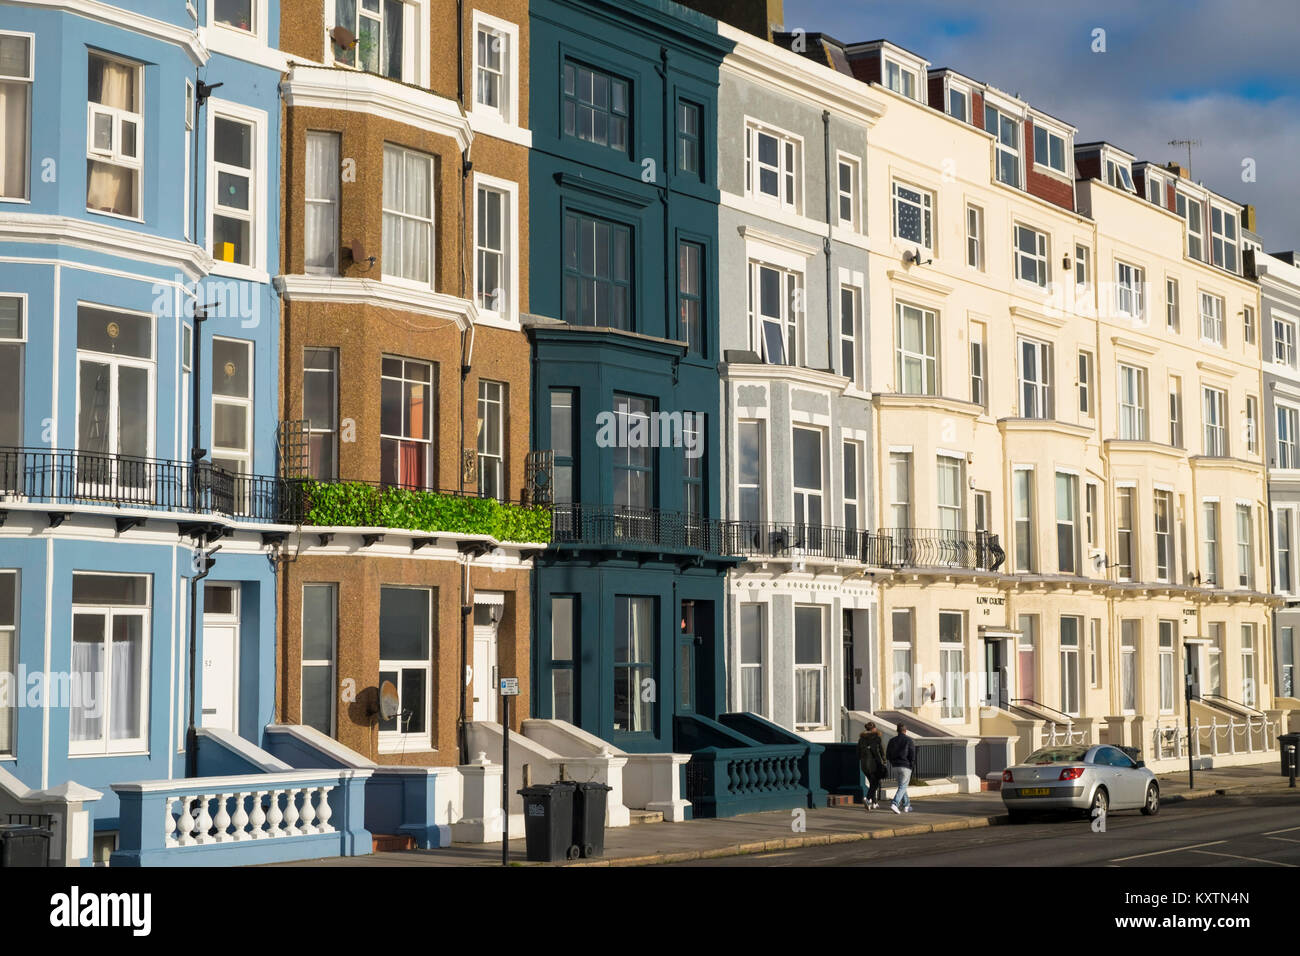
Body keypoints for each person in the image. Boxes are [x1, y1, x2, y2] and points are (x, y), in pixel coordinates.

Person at [886, 721, 916, 814]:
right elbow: (912, 755)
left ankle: (907, 805)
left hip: (895, 766)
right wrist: (911, 765)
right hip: (905, 765)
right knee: (903, 786)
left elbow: (888, 755)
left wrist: (892, 762)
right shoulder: (909, 740)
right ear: (905, 731)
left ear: (897, 730)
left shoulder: (892, 740)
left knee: (902, 786)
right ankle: (895, 803)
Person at [857, 721, 889, 809]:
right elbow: (881, 751)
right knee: (875, 783)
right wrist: (884, 760)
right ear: (874, 728)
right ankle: (867, 799)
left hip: (864, 765)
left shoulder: (861, 739)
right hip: (874, 765)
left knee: (873, 782)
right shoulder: (877, 738)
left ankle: (874, 803)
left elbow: (858, 753)